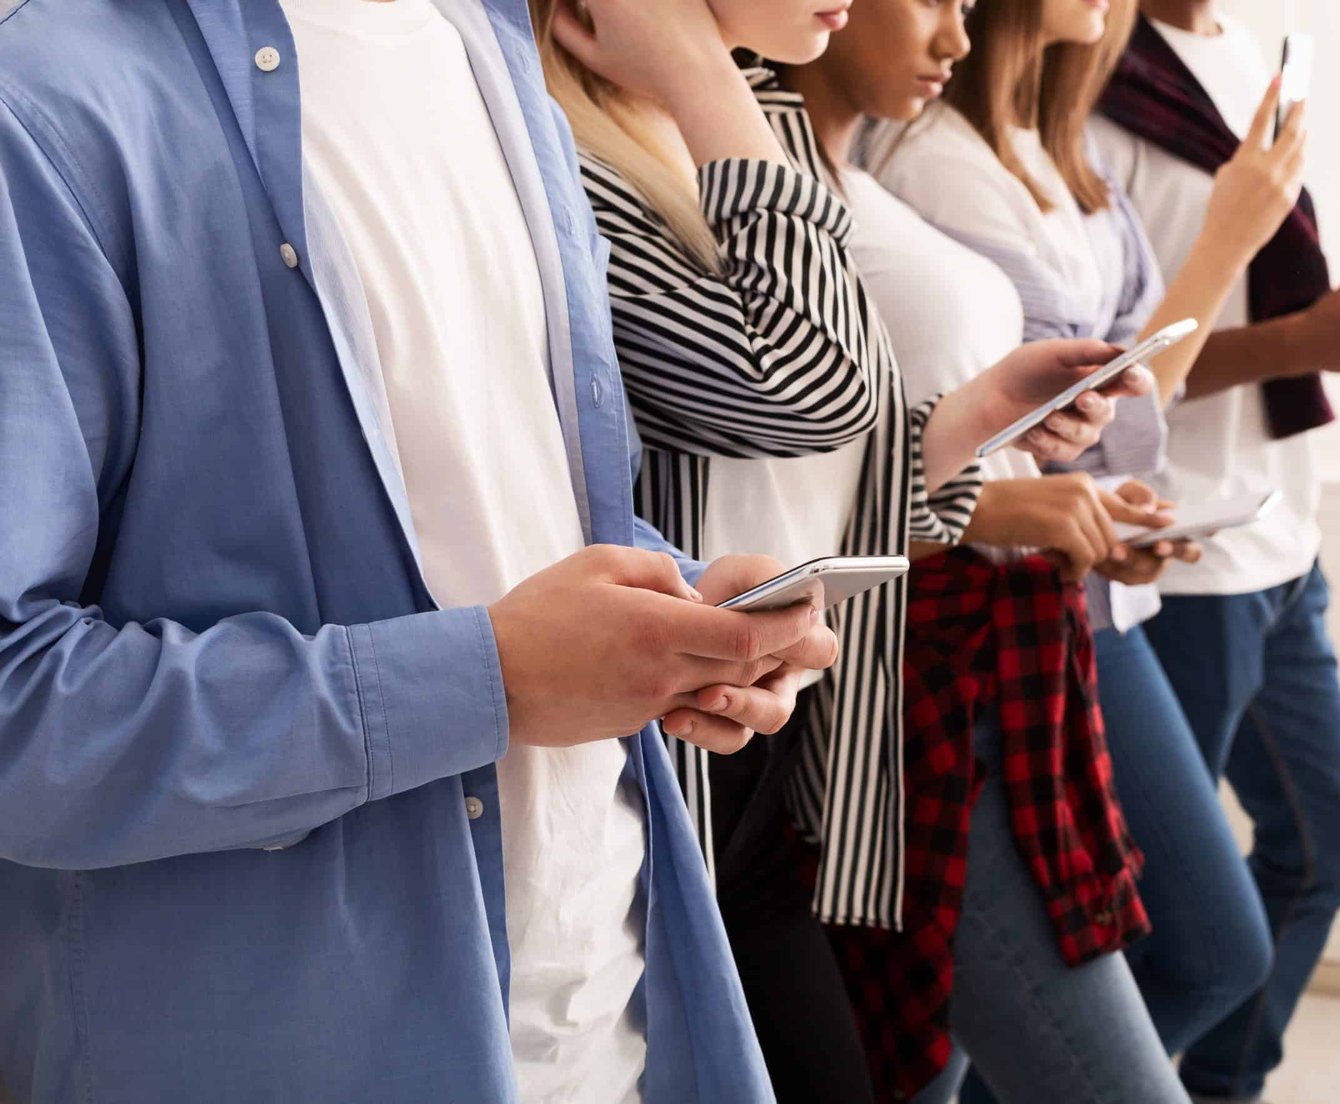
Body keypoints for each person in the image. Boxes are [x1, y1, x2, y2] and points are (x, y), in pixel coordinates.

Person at [0, 1, 843, 1100]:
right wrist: (487, 678)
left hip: (617, 1022)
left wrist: (674, 610)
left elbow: (498, 514)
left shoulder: (489, 51)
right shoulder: (49, 101)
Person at [534, 0, 1142, 1098]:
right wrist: (699, 71)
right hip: (657, 764)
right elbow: (802, 390)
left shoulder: (732, 117)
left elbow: (801, 463)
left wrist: (971, 421)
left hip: (761, 753)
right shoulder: (571, 148)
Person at [779, 0, 1263, 1099]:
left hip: (1006, 637)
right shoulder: (880, 174)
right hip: (918, 668)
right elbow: (763, 487)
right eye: (927, 1)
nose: (947, 35)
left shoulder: (890, 177)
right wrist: (996, 510)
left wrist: (1039, 491)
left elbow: (1103, 415)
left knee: (935, 1059)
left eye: (957, 6)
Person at [1090, 2, 1340, 1100]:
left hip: (1282, 535)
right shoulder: (1093, 81)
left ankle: (1216, 1088)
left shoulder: (1248, 53)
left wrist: (1331, 325)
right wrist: (1302, 342)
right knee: (1154, 921)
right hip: (1178, 556)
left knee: (1327, 837)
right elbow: (1108, 367)